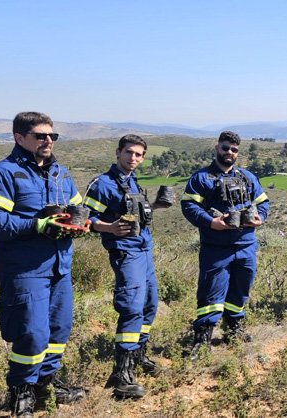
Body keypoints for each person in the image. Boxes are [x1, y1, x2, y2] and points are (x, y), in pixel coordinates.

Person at [0, 112, 86, 417]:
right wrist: (36, 226)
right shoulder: (3, 174)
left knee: (58, 330)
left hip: (60, 266)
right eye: (40, 135)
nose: (48, 141)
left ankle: (46, 387)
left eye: (52, 136)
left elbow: (77, 208)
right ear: (19, 137)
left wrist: (83, 223)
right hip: (25, 268)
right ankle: (21, 394)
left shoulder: (60, 173)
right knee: (31, 333)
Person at [84, 134, 165, 399]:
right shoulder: (102, 184)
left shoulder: (133, 181)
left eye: (139, 155)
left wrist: (155, 206)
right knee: (132, 306)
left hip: (144, 248)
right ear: (118, 152)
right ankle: (122, 375)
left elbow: (137, 214)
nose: (133, 158)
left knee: (150, 303)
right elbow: (85, 219)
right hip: (125, 252)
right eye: (129, 152)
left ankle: (139, 355)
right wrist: (108, 227)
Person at [181, 131, 270, 357]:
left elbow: (263, 202)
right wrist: (211, 223)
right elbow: (189, 207)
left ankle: (234, 330)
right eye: (225, 148)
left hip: (246, 245)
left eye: (234, 149)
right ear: (216, 148)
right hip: (216, 248)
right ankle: (203, 339)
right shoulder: (201, 178)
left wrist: (260, 217)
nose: (229, 152)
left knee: (241, 289)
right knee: (211, 293)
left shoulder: (248, 177)